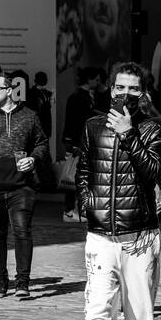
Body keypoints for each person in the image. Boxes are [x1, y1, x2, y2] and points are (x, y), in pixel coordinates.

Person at [68, 62, 161, 320]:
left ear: (142, 93)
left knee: (138, 309)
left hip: (139, 235)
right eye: (120, 87)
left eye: (133, 88)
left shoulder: (154, 128)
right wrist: (88, 201)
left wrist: (129, 134)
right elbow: (84, 168)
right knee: (98, 306)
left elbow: (153, 171)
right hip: (100, 234)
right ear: (110, 89)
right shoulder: (93, 125)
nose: (125, 94)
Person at [0, 72, 48, 297]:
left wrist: (33, 158)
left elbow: (42, 144)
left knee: (23, 232)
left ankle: (22, 283)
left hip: (22, 186)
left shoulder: (30, 116)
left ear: (9, 91)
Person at [61, 67, 104, 221]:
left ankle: (77, 209)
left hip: (83, 142)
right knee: (72, 176)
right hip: (77, 142)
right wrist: (71, 142)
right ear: (89, 79)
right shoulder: (78, 97)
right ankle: (69, 210)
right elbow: (73, 121)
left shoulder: (86, 96)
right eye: (96, 79)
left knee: (80, 177)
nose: (98, 82)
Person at [27, 71, 54, 140]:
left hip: (45, 127)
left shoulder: (47, 93)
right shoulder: (31, 93)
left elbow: (47, 111)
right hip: (36, 126)